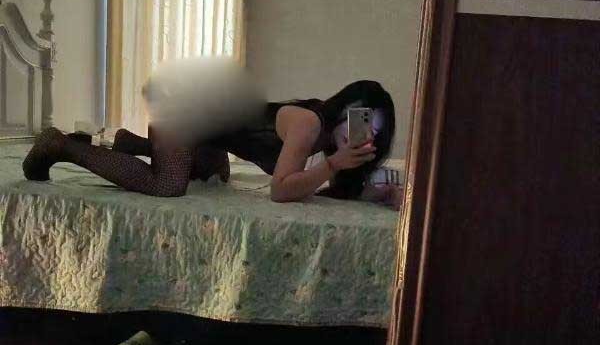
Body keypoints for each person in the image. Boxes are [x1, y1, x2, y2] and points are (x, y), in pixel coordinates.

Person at [22, 79, 402, 208]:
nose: (364, 134)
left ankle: (130, 143)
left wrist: (378, 193)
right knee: (168, 185)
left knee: (211, 177)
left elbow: (327, 189)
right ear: (344, 109)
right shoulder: (308, 124)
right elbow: (281, 191)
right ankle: (61, 145)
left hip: (212, 133)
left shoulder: (327, 138)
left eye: (374, 130)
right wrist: (333, 164)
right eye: (361, 120)